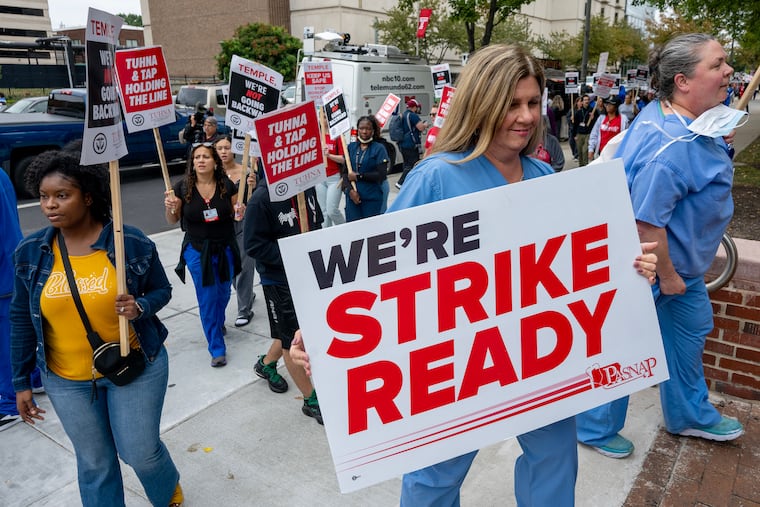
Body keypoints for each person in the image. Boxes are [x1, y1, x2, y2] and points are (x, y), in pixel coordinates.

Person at [290, 44, 657, 506]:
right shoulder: (437, 178)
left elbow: (573, 267)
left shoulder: (547, 175)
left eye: (531, 102)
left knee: (556, 462)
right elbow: (378, 276)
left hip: (539, 355)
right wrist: (326, 331)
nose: (524, 117)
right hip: (455, 368)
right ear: (481, 102)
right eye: (511, 104)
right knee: (435, 479)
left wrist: (628, 265)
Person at [576, 33, 745, 460]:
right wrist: (668, 278)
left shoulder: (676, 116)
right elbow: (646, 225)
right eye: (718, 64)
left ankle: (690, 414)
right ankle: (593, 428)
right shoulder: (669, 149)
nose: (729, 72)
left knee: (688, 336)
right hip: (650, 269)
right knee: (624, 348)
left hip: (678, 270)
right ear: (684, 81)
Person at [10, 145, 183, 506]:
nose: (50, 205)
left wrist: (141, 306)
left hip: (136, 366)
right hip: (66, 379)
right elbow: (21, 319)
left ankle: (166, 489)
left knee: (139, 452)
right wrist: (21, 381)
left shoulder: (128, 241)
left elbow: (162, 290)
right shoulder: (31, 252)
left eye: (62, 195)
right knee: (94, 463)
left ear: (88, 197)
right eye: (43, 197)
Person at [243, 171, 323, 422]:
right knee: (291, 339)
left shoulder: (307, 187)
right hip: (279, 281)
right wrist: (292, 254)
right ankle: (311, 399)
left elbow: (316, 222)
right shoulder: (261, 199)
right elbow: (253, 245)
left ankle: (266, 363)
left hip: (309, 273)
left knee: (298, 329)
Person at [165, 142, 241, 367]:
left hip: (225, 246)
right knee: (207, 296)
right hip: (197, 250)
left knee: (224, 292)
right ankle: (216, 347)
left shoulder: (227, 185)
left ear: (214, 161)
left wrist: (241, 211)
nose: (200, 160)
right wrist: (170, 207)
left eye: (205, 157)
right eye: (196, 157)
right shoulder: (181, 188)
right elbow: (172, 219)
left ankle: (217, 321)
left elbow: (237, 215)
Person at [215, 135, 256, 327]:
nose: (223, 152)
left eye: (227, 148)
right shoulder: (212, 174)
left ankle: (244, 309)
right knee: (229, 268)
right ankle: (247, 293)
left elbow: (256, 198)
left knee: (245, 266)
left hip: (245, 223)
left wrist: (252, 188)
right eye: (219, 148)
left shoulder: (247, 171)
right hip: (223, 226)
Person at [342, 116, 388, 222]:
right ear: (357, 130)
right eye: (361, 128)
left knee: (370, 230)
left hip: (371, 198)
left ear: (373, 131)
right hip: (352, 199)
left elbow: (381, 175)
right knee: (353, 230)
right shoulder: (351, 147)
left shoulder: (379, 148)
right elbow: (345, 173)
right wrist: (350, 191)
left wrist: (359, 176)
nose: (364, 131)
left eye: (368, 129)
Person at [316, 131, 346, 227]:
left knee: (332, 210)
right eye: (322, 117)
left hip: (334, 178)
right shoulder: (316, 135)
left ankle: (345, 230)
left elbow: (343, 159)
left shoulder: (337, 136)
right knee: (324, 213)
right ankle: (328, 238)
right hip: (319, 178)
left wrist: (328, 155)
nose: (324, 119)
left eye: (326, 117)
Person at [395, 99, 427, 188]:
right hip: (411, 144)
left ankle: (407, 182)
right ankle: (400, 183)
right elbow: (420, 128)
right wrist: (425, 125)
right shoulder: (412, 116)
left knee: (406, 164)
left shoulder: (404, 115)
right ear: (414, 107)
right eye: (417, 107)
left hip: (402, 144)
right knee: (413, 163)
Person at [588, 95, 629, 162]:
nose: (608, 106)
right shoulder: (601, 118)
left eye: (611, 104)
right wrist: (591, 149)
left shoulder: (623, 120)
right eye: (607, 104)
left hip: (615, 154)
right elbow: (594, 134)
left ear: (616, 107)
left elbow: (626, 137)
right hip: (601, 153)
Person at [572, 94, 597, 166]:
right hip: (580, 134)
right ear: (582, 102)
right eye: (585, 100)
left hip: (588, 133)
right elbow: (575, 124)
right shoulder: (578, 112)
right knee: (579, 151)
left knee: (585, 151)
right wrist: (574, 135)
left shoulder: (593, 110)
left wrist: (593, 119)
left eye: (588, 100)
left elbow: (597, 123)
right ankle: (581, 165)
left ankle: (586, 166)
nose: (587, 101)